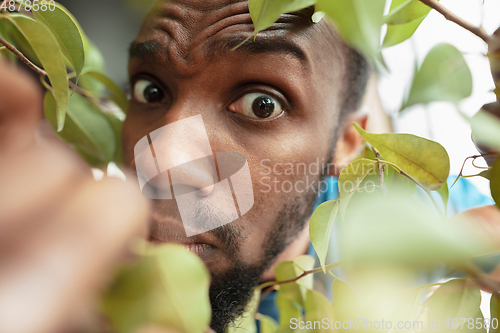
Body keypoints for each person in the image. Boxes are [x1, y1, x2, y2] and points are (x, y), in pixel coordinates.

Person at [0, 1, 496, 333]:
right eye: (151, 90)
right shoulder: (75, 262)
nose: (166, 160)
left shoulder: (421, 227)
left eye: (262, 105)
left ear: (344, 144)